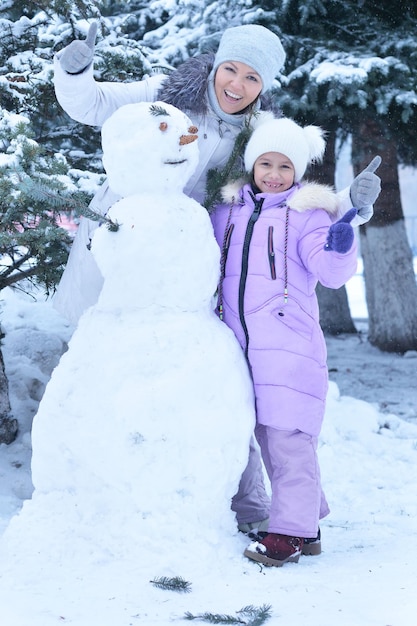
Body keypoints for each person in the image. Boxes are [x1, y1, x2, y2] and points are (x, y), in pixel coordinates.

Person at [52, 22, 380, 542]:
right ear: (216, 63)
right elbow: (92, 105)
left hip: (192, 263)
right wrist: (75, 71)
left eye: (251, 77)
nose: (236, 83)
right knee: (107, 358)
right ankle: (94, 483)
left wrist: (351, 205)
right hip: (123, 243)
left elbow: (291, 191)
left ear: (262, 85)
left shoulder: (263, 133)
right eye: (231, 68)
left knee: (202, 378)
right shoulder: (164, 96)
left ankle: (223, 494)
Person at [210, 115, 360, 566]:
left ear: (298, 172)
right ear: (253, 165)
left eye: (285, 168)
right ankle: (305, 524)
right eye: (266, 164)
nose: (274, 176)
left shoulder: (308, 215)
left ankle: (290, 534)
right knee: (258, 433)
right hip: (238, 345)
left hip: (289, 345)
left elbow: (332, 275)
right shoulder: (226, 212)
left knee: (288, 437)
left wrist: (340, 243)